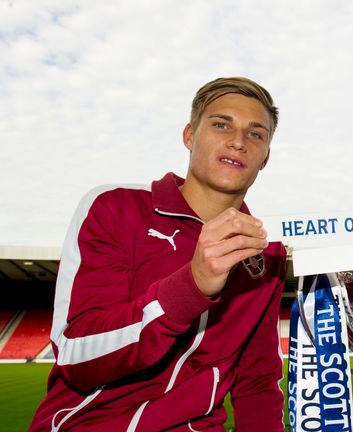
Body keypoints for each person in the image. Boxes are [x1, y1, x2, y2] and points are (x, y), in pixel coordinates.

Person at [30, 77, 286, 431]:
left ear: (265, 156)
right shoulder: (114, 207)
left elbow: (257, 381)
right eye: (221, 124)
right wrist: (191, 286)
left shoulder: (266, 252)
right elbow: (76, 355)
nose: (238, 141)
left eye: (255, 133)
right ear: (190, 136)